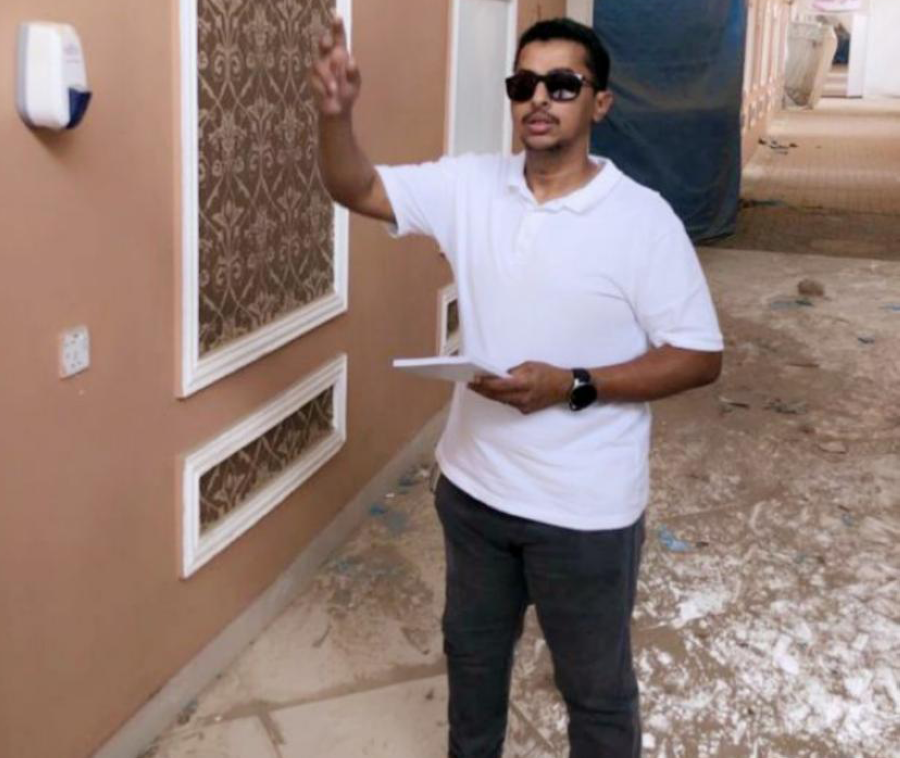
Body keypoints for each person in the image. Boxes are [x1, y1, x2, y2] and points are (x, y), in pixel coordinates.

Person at [310, 14, 723, 758]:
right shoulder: (471, 185)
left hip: (585, 514)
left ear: (599, 103)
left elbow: (699, 356)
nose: (539, 98)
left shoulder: (642, 221)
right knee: (472, 669)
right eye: (524, 82)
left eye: (562, 84)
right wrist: (335, 115)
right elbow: (356, 185)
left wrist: (574, 384)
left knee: (595, 694)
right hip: (475, 495)